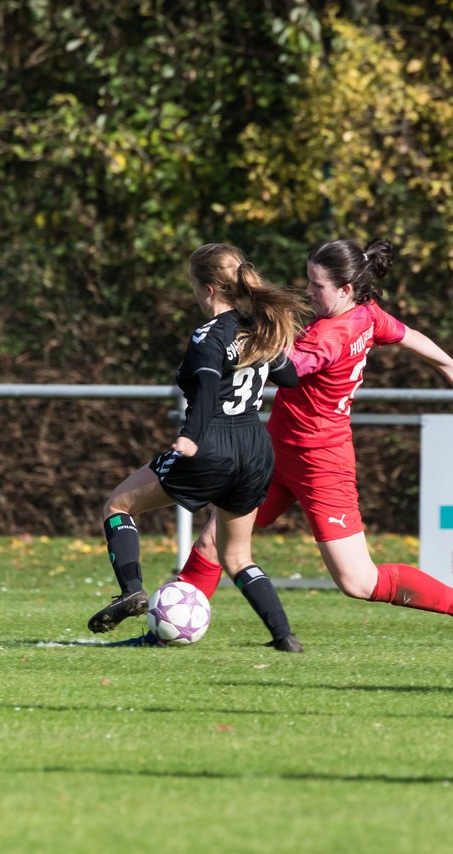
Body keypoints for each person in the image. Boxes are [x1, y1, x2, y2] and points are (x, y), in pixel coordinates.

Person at [173, 237, 453, 649]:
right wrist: (448, 365)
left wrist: (229, 339)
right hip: (276, 455)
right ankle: (165, 630)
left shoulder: (331, 335)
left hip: (321, 463)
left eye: (317, 285)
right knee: (214, 540)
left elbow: (285, 370)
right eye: (308, 281)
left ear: (345, 289)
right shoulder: (366, 313)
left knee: (358, 581)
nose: (309, 292)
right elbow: (406, 333)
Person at [88, 243, 307, 651]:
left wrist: (191, 433)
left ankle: (131, 591)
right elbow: (291, 379)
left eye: (192, 285)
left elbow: (207, 386)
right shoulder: (261, 328)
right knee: (237, 555)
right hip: (256, 450)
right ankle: (284, 637)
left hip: (213, 442)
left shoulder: (210, 333)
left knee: (118, 506)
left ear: (208, 289)